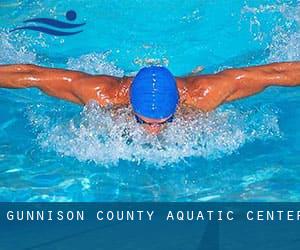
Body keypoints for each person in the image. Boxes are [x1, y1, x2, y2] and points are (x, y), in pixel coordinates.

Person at [0, 62, 299, 134]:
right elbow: (31, 75)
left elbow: (273, 74)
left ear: (177, 107)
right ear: (130, 105)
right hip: (117, 85)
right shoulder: (101, 93)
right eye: (143, 121)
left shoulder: (204, 94)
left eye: (163, 122)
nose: (153, 131)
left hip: (191, 84)